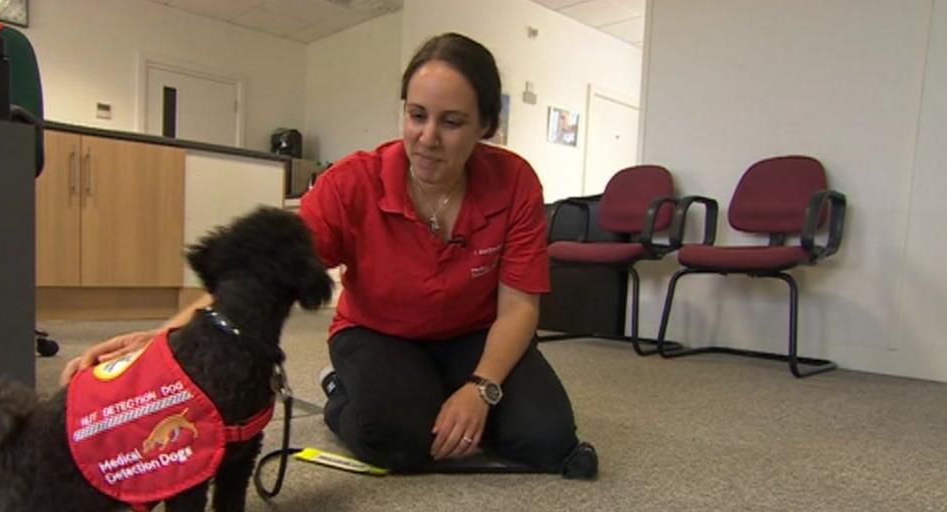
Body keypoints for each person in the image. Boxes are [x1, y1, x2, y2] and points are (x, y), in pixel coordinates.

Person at [61, 32, 597, 479]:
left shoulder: (515, 181)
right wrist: (160, 339)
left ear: (485, 127)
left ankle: (440, 391)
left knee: (546, 440)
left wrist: (481, 389)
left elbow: (520, 307)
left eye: (452, 122)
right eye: (416, 115)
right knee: (397, 443)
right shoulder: (352, 184)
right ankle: (343, 389)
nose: (427, 138)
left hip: (474, 332)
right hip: (378, 331)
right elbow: (261, 273)